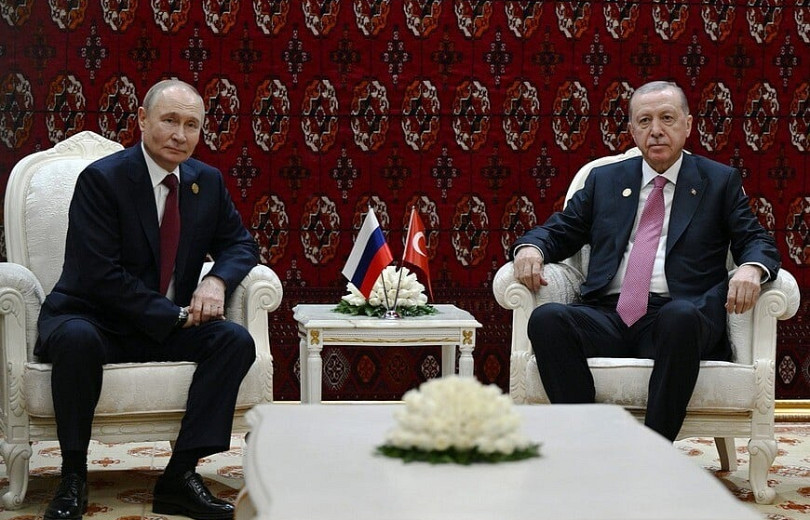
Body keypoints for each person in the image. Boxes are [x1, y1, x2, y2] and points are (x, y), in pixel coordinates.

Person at [36, 79, 259, 520]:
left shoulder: (206, 182)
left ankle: (179, 476)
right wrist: (174, 315)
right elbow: (100, 275)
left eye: (191, 125)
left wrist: (216, 282)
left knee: (234, 341)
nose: (180, 134)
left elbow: (240, 245)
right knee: (77, 339)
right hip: (94, 318)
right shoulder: (103, 180)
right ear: (142, 119)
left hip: (166, 324)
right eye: (169, 120)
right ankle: (73, 476)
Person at [510, 80, 780, 442]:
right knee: (547, 319)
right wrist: (531, 248)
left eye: (667, 118)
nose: (656, 130)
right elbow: (561, 230)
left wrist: (751, 268)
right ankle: (587, 443)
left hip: (679, 318)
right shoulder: (605, 180)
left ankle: (653, 452)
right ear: (632, 130)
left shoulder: (718, 181)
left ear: (688, 124)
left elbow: (757, 240)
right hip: (609, 314)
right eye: (644, 120)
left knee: (679, 317)